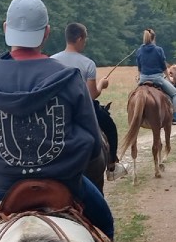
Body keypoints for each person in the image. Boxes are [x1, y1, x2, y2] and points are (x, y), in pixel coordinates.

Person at [0, 0, 114, 242]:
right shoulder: (70, 77)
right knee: (105, 225)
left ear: (5, 29)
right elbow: (93, 148)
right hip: (67, 183)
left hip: (2, 186)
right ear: (46, 33)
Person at [51, 22, 123, 182]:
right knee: (110, 127)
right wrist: (102, 85)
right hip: (82, 109)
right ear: (79, 38)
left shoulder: (51, 61)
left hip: (55, 112)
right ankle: (112, 166)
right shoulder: (87, 63)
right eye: (85, 39)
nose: (85, 42)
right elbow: (91, 95)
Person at [136, 28, 176, 126]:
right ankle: (175, 117)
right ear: (154, 38)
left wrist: (140, 76)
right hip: (157, 78)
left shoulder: (139, 50)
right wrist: (169, 78)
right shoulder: (158, 50)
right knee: (175, 94)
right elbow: (163, 67)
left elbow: (139, 67)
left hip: (143, 78)